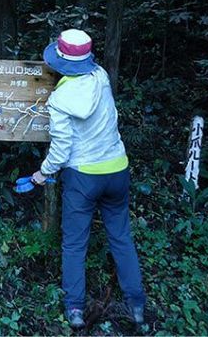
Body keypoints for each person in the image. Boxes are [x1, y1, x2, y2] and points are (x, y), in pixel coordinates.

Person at [31, 29, 146, 328]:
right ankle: (137, 306)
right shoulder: (101, 77)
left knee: (74, 244)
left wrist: (43, 172)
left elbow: (61, 148)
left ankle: (75, 309)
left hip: (83, 177)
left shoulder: (59, 99)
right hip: (117, 170)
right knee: (121, 237)